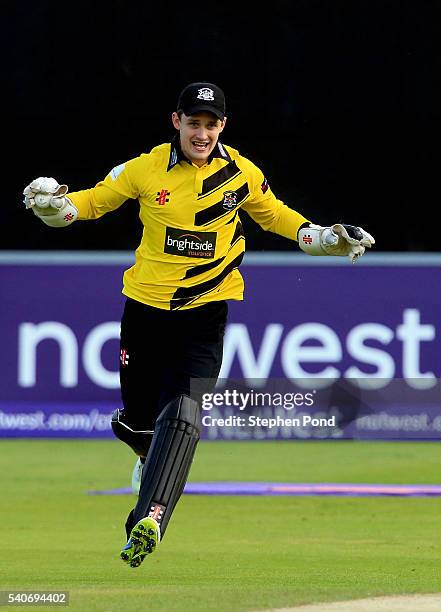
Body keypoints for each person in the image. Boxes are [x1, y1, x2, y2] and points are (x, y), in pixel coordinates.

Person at [22, 81, 375, 568]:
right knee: (141, 424)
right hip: (145, 312)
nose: (202, 133)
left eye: (211, 124)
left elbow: (278, 217)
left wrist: (325, 239)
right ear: (177, 122)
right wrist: (49, 208)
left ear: (222, 126)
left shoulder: (242, 174)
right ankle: (147, 458)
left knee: (185, 413)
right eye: (194, 123)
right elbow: (84, 205)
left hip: (207, 313)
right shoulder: (144, 169)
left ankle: (150, 520)